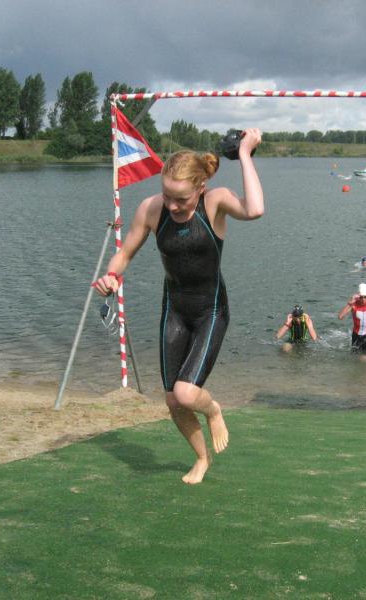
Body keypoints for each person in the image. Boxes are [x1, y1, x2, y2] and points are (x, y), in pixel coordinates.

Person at [94, 129, 264, 485]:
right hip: (174, 310)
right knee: (173, 401)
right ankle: (201, 458)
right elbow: (125, 254)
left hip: (210, 311)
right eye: (167, 195)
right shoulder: (151, 209)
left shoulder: (215, 202)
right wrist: (111, 276)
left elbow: (255, 209)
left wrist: (245, 154)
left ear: (201, 187)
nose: (172, 206)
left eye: (181, 199)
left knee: (187, 394)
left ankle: (213, 409)